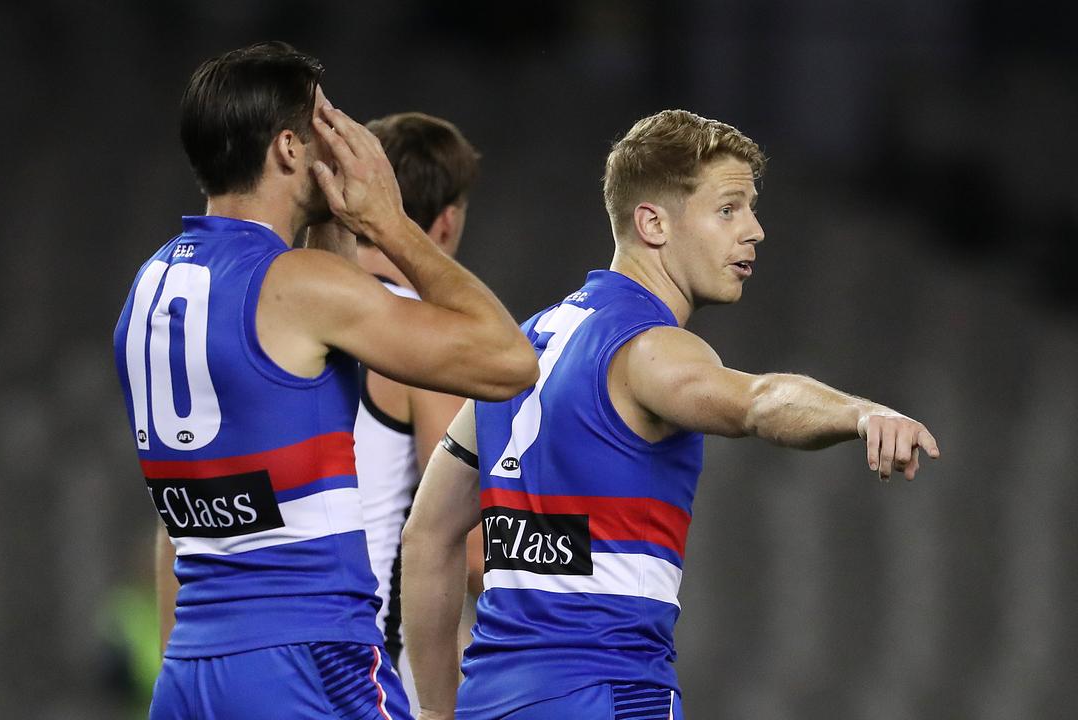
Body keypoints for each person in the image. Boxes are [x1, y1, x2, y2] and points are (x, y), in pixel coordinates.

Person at [400, 109, 941, 720]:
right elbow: (759, 402)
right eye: (729, 208)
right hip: (611, 695)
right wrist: (861, 414)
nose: (756, 230)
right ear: (653, 223)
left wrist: (437, 712)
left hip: (492, 702)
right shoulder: (648, 348)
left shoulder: (520, 347)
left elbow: (426, 536)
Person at [113, 42, 538, 720]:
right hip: (307, 661)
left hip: (193, 668)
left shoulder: (151, 286)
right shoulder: (298, 288)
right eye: (326, 127)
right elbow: (510, 360)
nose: (343, 145)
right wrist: (389, 222)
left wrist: (335, 226)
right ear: (288, 148)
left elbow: (181, 521)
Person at [350, 112, 482, 710]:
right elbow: (468, 548)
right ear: (447, 224)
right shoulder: (418, 344)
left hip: (255, 662)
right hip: (364, 673)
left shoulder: (279, 313)